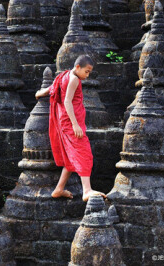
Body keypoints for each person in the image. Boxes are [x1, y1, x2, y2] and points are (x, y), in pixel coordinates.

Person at [35, 55, 106, 202]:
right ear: (78, 67)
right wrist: (75, 124)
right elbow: (67, 101)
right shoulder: (74, 79)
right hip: (71, 123)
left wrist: (39, 93)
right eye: (87, 71)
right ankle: (87, 190)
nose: (87, 75)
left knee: (71, 158)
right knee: (84, 153)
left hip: (65, 122)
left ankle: (59, 189)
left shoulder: (64, 75)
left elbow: (53, 88)